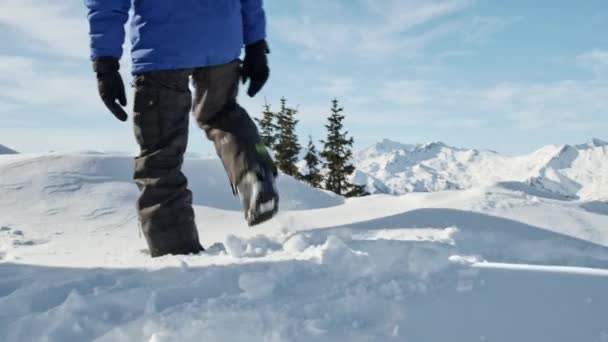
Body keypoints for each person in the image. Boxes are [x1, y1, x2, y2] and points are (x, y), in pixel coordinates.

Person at [85, 0, 279, 257]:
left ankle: (176, 253)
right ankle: (254, 172)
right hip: (221, 39)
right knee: (221, 113)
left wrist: (105, 63)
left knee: (160, 154)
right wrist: (255, 44)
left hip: (162, 44)